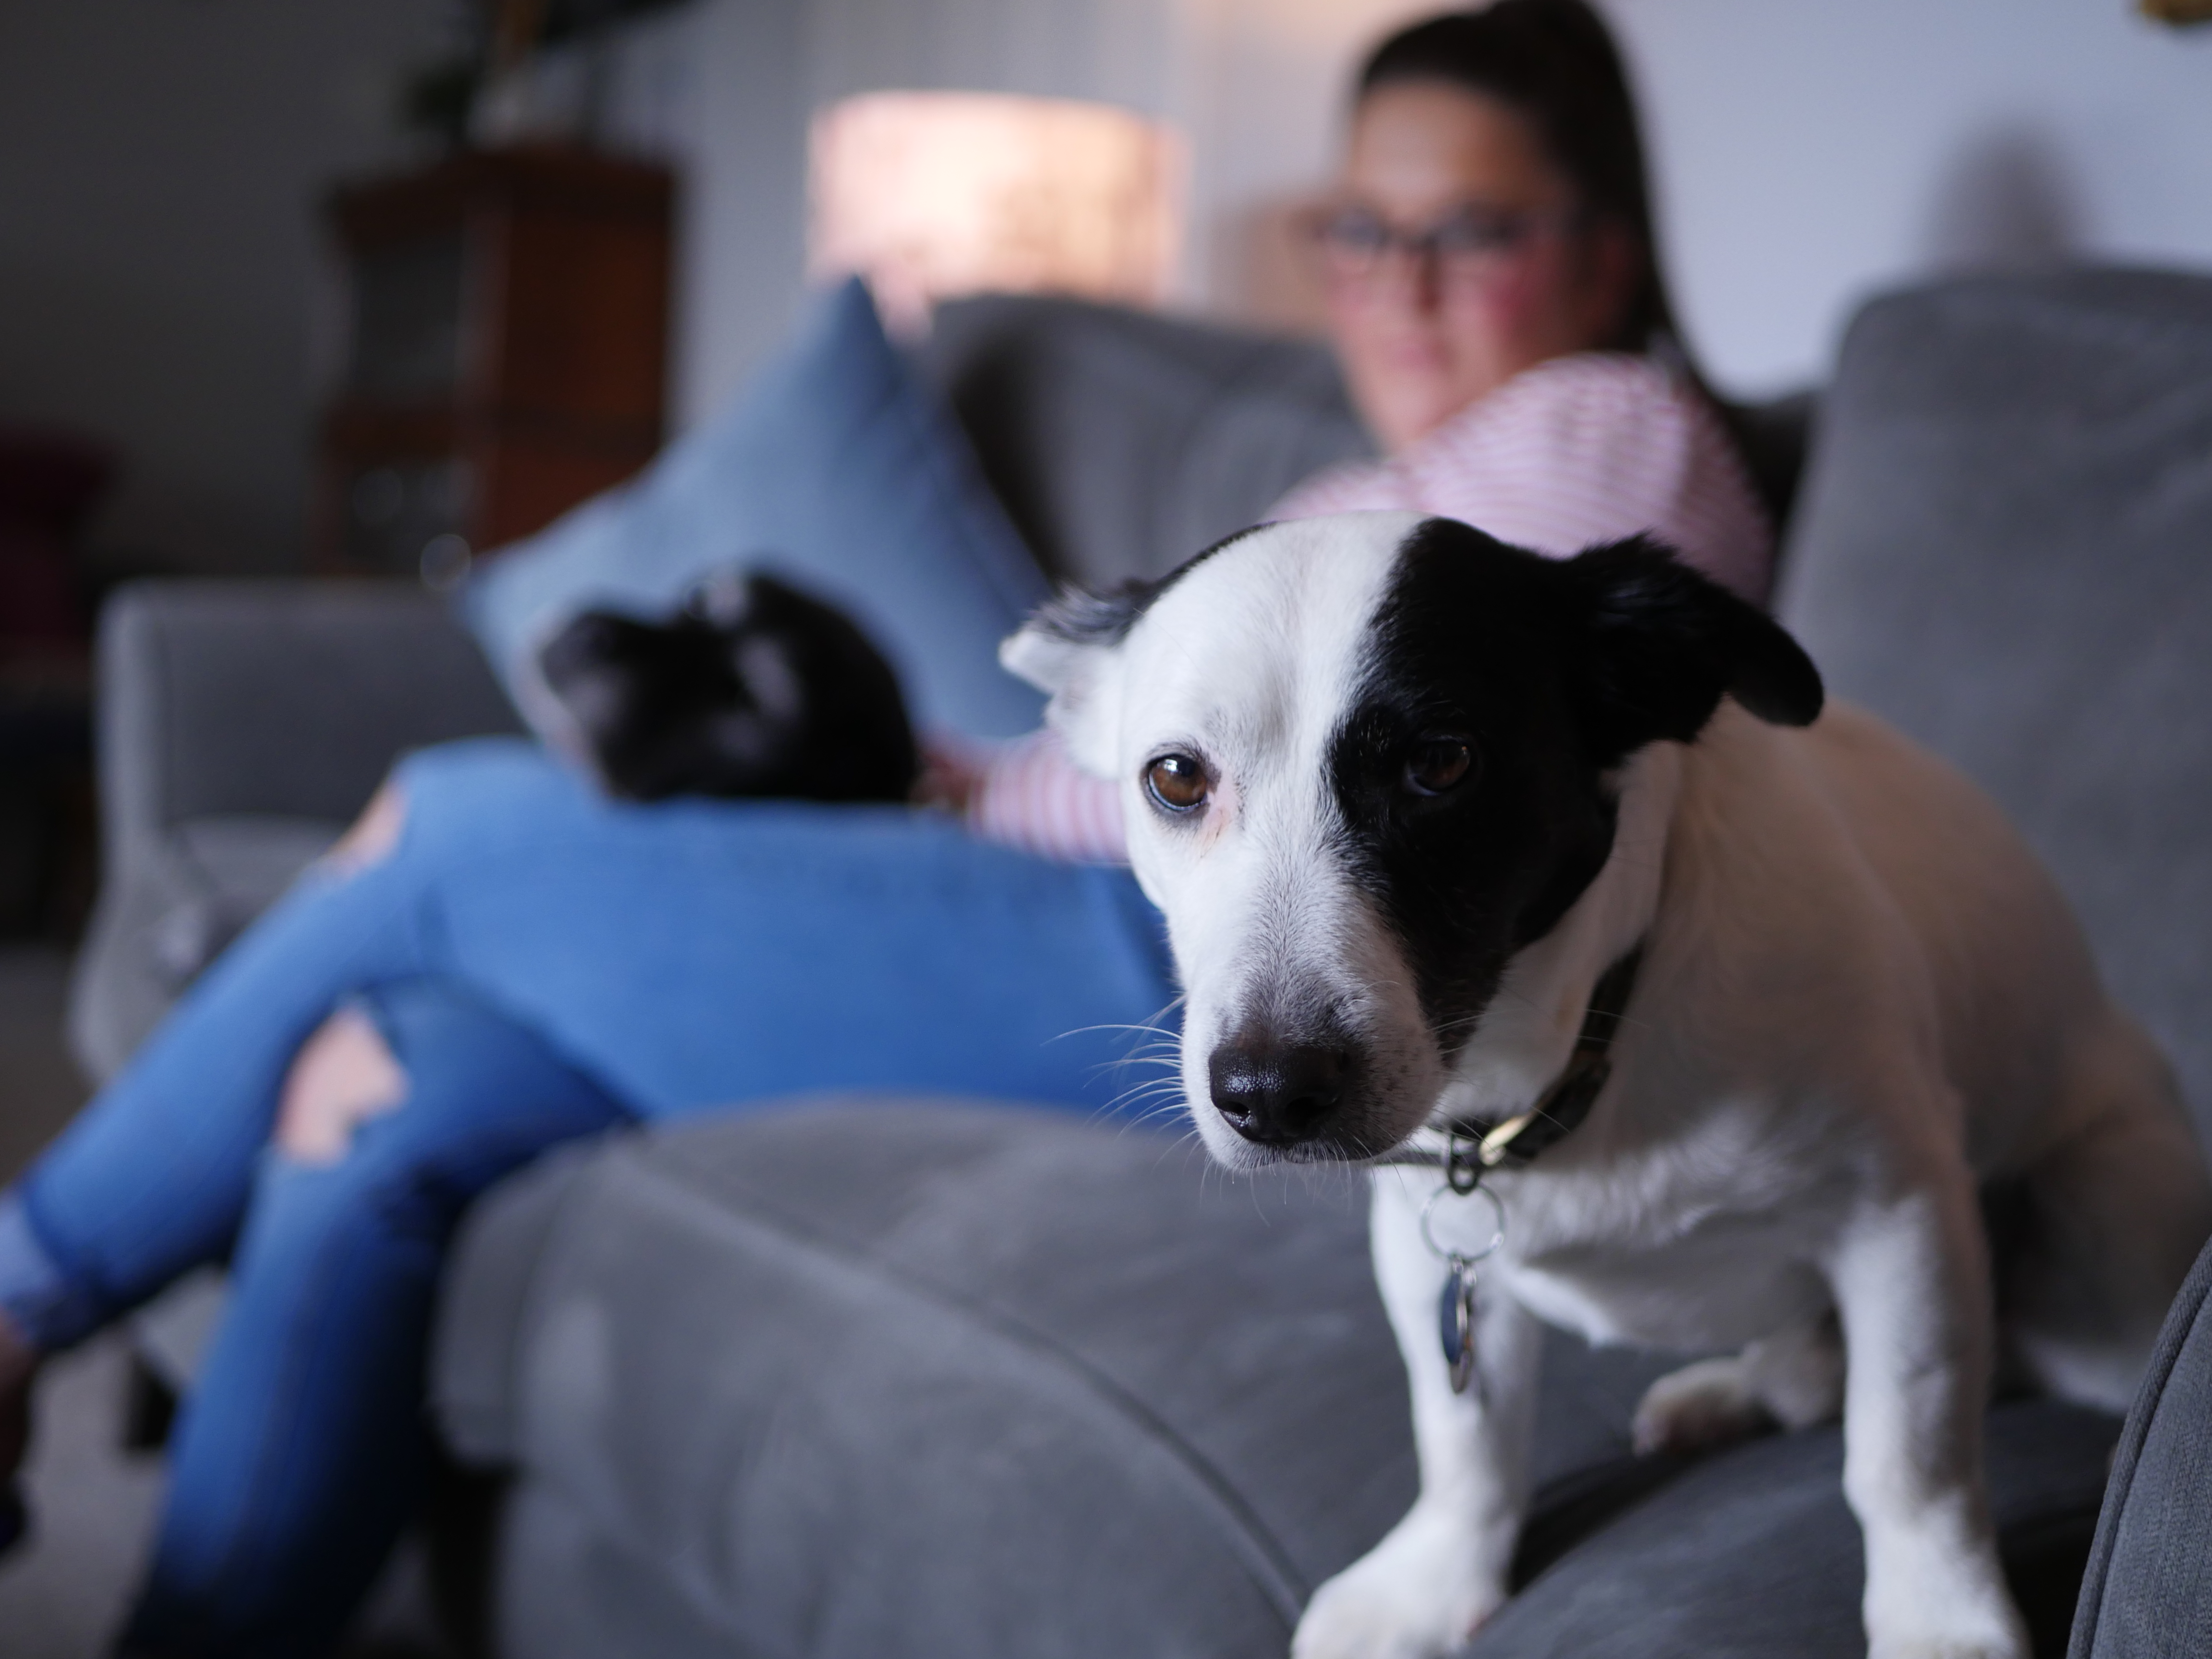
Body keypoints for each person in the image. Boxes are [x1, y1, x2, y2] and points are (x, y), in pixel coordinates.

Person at [0, 4, 1771, 1653]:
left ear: (1604, 250)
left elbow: (1352, 794)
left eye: (1476, 230)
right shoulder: (1351, 504)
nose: (1405, 286)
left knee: (455, 837)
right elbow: (1130, 774)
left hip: (1170, 971)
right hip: (1086, 900)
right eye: (1364, 232)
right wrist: (926, 770)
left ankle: (11, 1306)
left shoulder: (1594, 440)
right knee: (403, 1088)